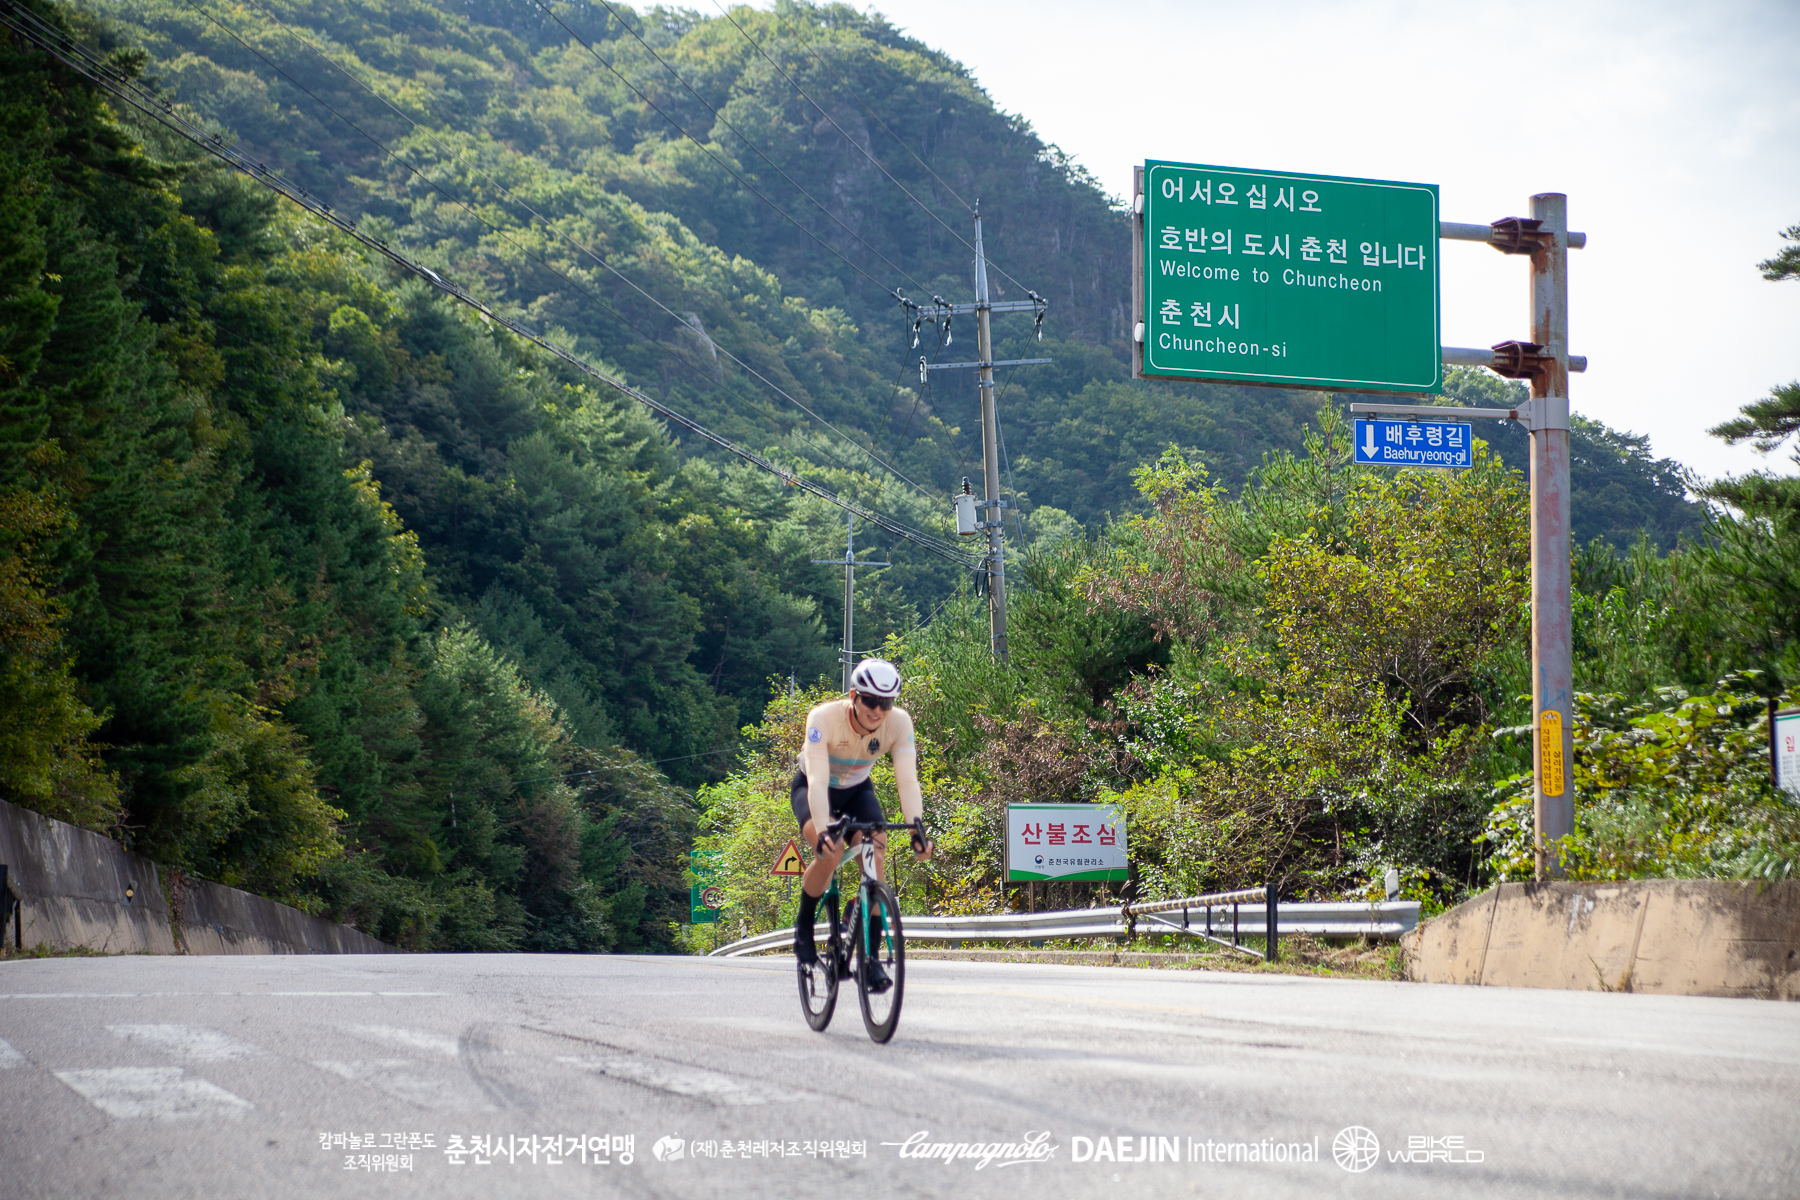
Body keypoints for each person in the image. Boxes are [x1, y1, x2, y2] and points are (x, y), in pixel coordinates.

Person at [791, 658, 932, 984]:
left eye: (886, 703)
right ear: (854, 696)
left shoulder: (899, 723)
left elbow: (907, 781)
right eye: (870, 701)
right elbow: (817, 780)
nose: (878, 711)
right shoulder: (823, 718)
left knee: (875, 854)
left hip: (857, 791)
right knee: (832, 852)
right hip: (815, 788)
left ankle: (870, 959)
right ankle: (804, 928)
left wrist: (917, 829)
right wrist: (823, 830)